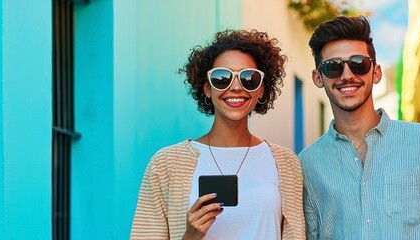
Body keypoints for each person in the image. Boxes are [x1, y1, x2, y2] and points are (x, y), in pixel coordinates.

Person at [299, 16, 420, 239]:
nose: (347, 75)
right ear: (318, 78)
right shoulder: (307, 164)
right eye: (333, 67)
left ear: (376, 72)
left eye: (359, 64)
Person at [130, 29, 304, 240]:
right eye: (222, 78)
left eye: (249, 78)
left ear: (260, 90)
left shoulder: (286, 163)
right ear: (206, 88)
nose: (236, 87)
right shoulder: (166, 164)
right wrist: (190, 236)